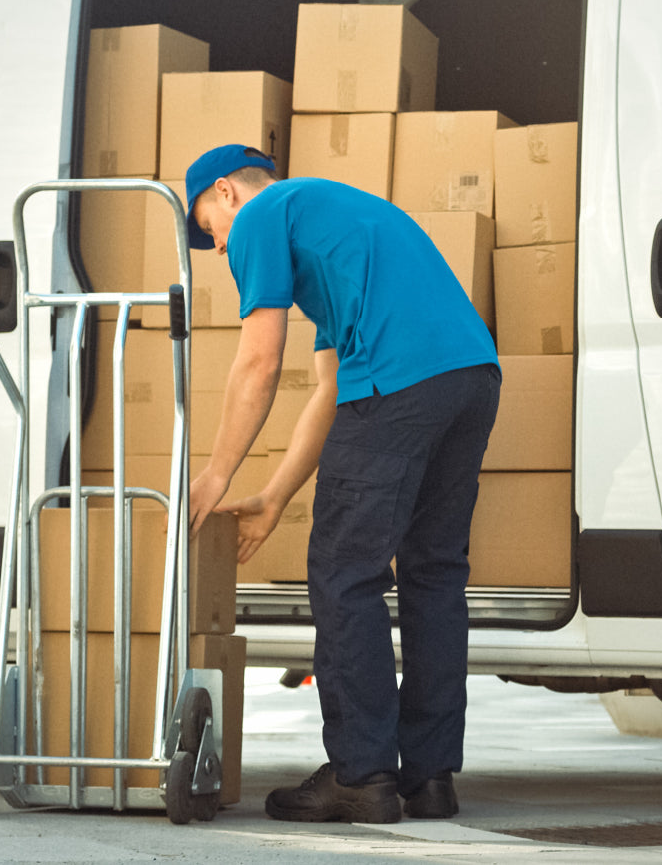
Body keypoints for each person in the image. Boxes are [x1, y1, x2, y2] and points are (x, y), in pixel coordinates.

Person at [183, 143, 501, 824]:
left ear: (227, 192)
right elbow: (328, 390)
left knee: (343, 572)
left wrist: (215, 470)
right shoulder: (334, 222)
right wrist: (273, 494)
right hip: (471, 375)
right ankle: (428, 776)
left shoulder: (265, 213)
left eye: (205, 223)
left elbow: (258, 363)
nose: (214, 248)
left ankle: (360, 773)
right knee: (434, 573)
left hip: (402, 380)